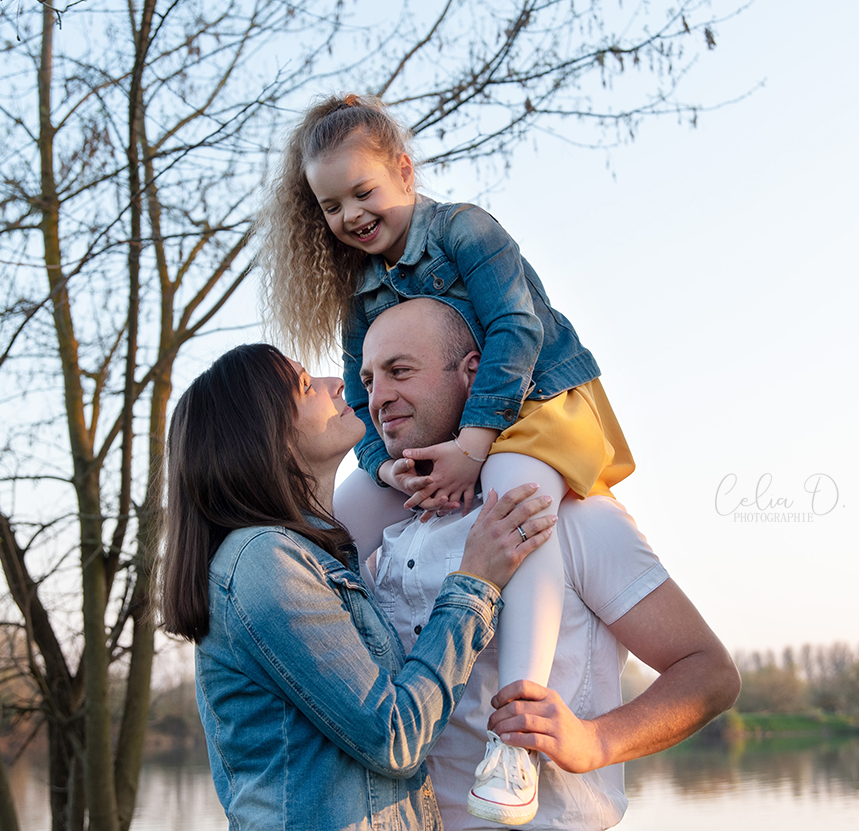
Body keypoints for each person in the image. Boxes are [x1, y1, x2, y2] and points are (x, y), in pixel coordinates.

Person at [261, 93, 634, 823]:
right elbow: (367, 403)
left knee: (512, 493)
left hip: (537, 405)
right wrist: (384, 465)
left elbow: (513, 328)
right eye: (331, 206)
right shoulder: (360, 291)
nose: (351, 216)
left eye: (363, 192)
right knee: (351, 508)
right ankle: (341, 691)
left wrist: (472, 445)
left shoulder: (464, 229)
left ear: (403, 171)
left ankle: (516, 740)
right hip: (447, 437)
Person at [360, 299, 741, 830]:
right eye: (370, 378)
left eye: (399, 371)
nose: (378, 397)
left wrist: (596, 740)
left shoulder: (569, 516)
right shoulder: (389, 536)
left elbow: (709, 672)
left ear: (474, 374)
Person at [159, 343, 558, 831]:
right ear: (263, 433)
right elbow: (395, 736)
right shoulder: (264, 561)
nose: (337, 385)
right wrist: (475, 582)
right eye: (305, 385)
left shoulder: (317, 557)